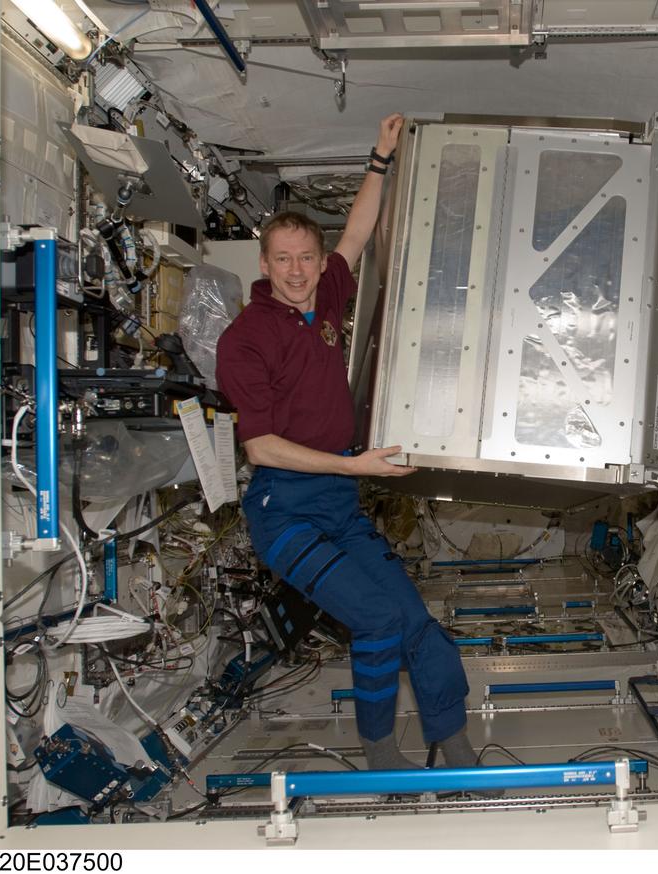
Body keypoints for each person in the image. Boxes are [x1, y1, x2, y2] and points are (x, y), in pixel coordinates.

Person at [216, 114, 478, 773]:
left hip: (338, 504)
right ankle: (381, 751)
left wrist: (381, 155)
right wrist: (352, 464)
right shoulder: (245, 338)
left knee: (417, 623)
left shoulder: (326, 299)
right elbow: (262, 449)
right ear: (264, 263)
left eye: (307, 257)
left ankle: (454, 740)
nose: (299, 270)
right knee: (376, 620)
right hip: (285, 513)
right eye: (285, 259)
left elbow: (357, 232)